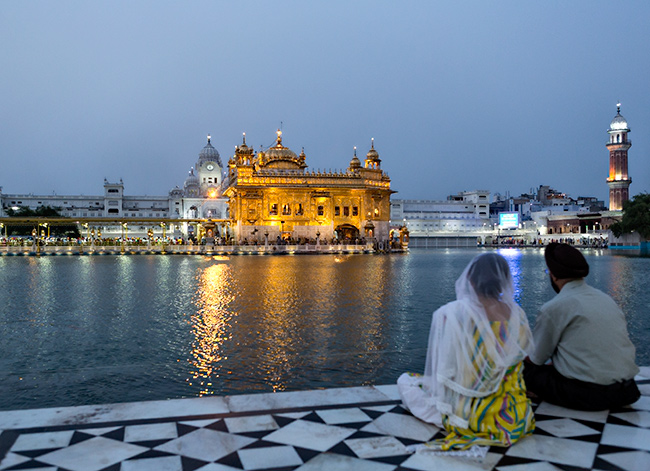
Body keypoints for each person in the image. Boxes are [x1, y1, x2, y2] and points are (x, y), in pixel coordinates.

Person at [398, 253, 535, 454]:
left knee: (406, 381)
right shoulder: (518, 314)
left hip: (470, 416)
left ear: (470, 280)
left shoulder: (452, 313)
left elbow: (444, 370)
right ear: (504, 281)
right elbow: (526, 355)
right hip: (514, 415)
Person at [524, 243, 640, 411]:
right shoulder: (605, 299)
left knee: (525, 370)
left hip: (588, 394)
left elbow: (536, 358)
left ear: (554, 275)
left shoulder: (554, 307)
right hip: (626, 390)